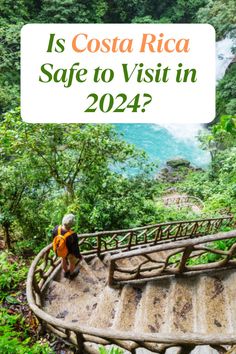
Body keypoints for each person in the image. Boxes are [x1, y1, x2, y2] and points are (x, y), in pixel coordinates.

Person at [52, 213, 82, 280]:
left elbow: (54, 238)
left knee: (63, 259)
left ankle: (65, 272)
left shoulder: (56, 229)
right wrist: (78, 256)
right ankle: (71, 274)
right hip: (69, 253)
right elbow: (75, 248)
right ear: (71, 225)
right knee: (72, 262)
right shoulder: (73, 235)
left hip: (60, 250)